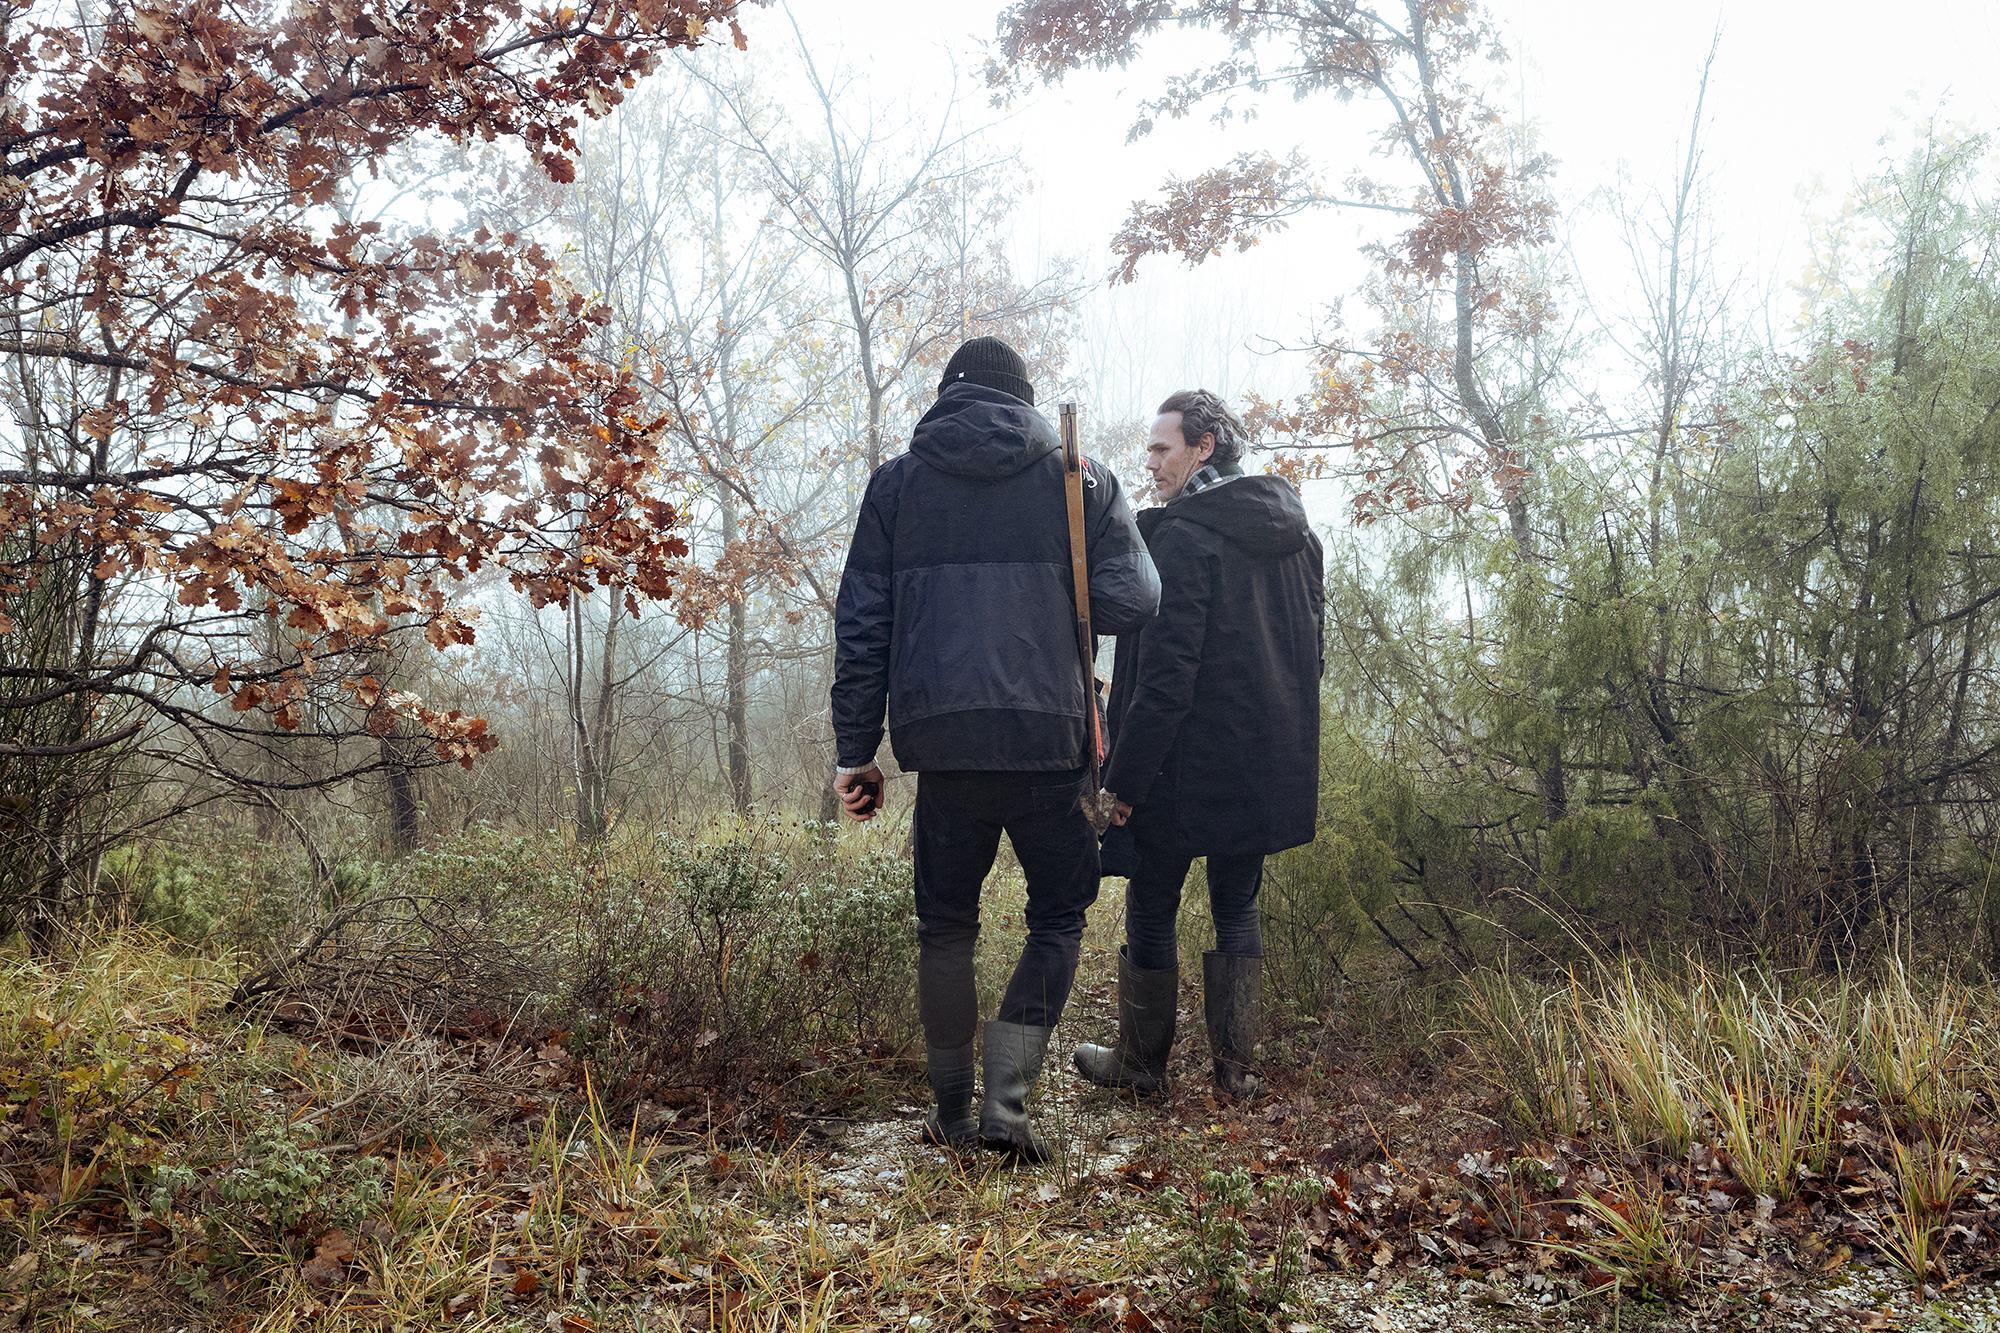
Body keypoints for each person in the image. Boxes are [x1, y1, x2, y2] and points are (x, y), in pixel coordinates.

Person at [829, 336, 1158, 1159]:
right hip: (1050, 737)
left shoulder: (898, 486)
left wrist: (855, 749)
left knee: (944, 925)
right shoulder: (1077, 481)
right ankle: (1006, 1112)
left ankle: (950, 1113)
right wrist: (1058, 589)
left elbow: (863, 624)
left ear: (947, 396)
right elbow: (1137, 597)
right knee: (1057, 916)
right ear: (1025, 399)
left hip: (942, 745)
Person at [1074, 389, 1323, 1098]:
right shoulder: (1301, 538)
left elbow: (1162, 680)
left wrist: (1121, 781)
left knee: (1152, 900)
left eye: (1162, 447)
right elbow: (1315, 658)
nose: (1149, 462)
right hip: (1263, 764)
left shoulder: (1182, 537)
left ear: (1204, 446)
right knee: (1236, 903)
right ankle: (1234, 1074)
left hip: (1183, 766)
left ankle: (1142, 1065)